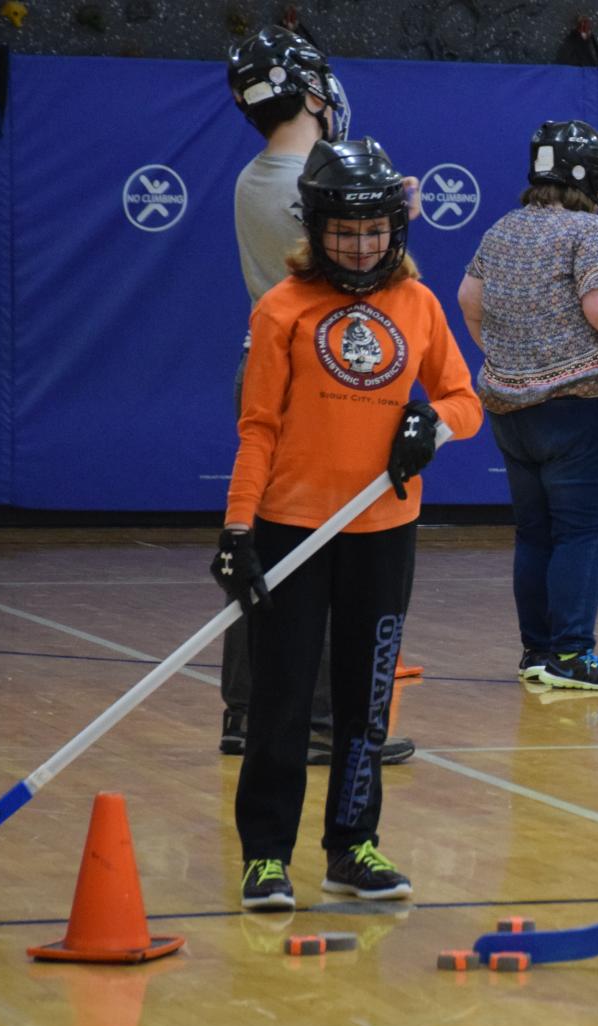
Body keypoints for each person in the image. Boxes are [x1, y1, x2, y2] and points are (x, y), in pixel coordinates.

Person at [211, 136, 482, 910]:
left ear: (394, 230)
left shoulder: (420, 305)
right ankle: (265, 853)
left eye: (374, 232)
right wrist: (237, 531)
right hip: (290, 526)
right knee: (282, 698)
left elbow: (464, 399)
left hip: (382, 530)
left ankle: (351, 845)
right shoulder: (282, 311)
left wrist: (433, 426)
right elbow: (257, 426)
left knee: (365, 699)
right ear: (317, 227)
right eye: (344, 232)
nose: (360, 247)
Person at [223, 24, 417, 766]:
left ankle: (246, 708)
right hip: (322, 373)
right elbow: (355, 276)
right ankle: (321, 716)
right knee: (341, 545)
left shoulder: (254, 178)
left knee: (267, 542)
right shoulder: (311, 186)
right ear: (311, 90)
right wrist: (393, 224)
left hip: (267, 363)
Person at [457, 120, 598, 692]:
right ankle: (572, 655)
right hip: (591, 412)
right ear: (592, 178)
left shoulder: (501, 229)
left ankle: (538, 651)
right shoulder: (592, 232)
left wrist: (510, 359)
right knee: (583, 536)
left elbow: (468, 301)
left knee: (536, 535)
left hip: (513, 413)